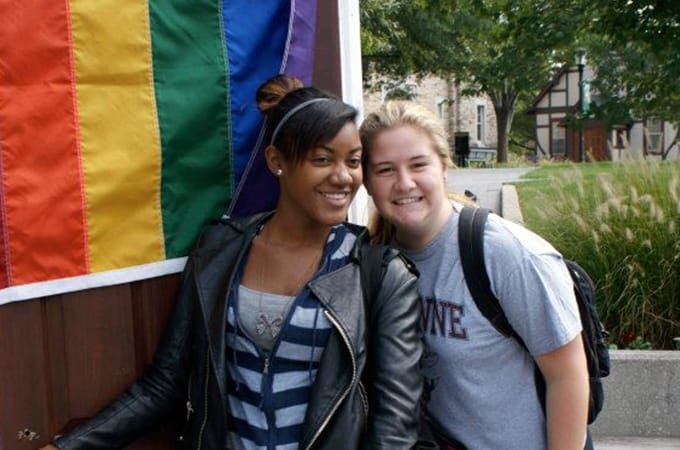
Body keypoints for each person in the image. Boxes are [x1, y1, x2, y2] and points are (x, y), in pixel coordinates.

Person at [40, 76, 423, 450]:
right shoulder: (219, 252)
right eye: (322, 159)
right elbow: (166, 383)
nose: (343, 177)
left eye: (353, 161)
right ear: (277, 161)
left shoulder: (379, 273)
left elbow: (394, 428)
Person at [359, 101, 590, 450]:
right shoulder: (373, 261)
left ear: (444, 168)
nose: (404, 183)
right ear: (367, 181)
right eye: (385, 170)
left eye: (418, 165)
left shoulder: (507, 255)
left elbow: (567, 375)